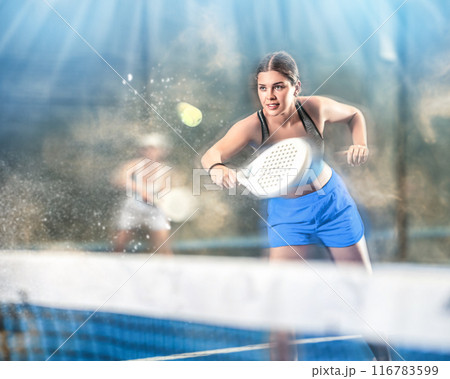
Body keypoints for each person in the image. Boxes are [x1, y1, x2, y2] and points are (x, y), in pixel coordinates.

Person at [201, 51, 391, 360]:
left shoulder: (314, 108)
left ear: (296, 87)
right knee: (281, 309)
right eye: (263, 88)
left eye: (278, 86)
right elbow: (212, 154)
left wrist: (361, 143)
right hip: (289, 217)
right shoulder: (251, 126)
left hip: (334, 206)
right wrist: (217, 168)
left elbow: (355, 115)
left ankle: (386, 363)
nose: (270, 96)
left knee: (361, 293)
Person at [112, 133, 173, 255]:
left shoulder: (165, 170)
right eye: (147, 148)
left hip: (154, 210)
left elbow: (166, 192)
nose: (150, 152)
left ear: (162, 151)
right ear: (141, 150)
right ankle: (112, 269)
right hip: (133, 208)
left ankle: (169, 271)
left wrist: (157, 198)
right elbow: (118, 179)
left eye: (154, 148)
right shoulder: (133, 165)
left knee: (163, 247)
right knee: (119, 244)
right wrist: (141, 190)